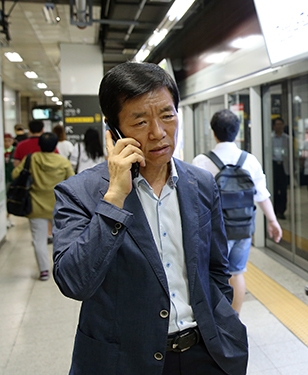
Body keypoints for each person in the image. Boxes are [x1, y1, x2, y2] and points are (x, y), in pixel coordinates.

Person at [52, 62, 248, 375]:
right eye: (140, 122)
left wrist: (223, 323)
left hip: (205, 354)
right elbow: (75, 283)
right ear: (114, 131)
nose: (158, 133)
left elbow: (216, 268)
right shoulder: (79, 193)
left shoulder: (201, 183)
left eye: (167, 116)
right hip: (126, 362)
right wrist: (114, 198)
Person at [192, 109, 282, 313]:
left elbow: (194, 199)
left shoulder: (201, 161)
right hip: (242, 228)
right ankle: (235, 319)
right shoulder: (249, 160)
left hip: (214, 230)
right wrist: (273, 221)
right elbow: (262, 194)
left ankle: (216, 321)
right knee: (237, 273)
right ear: (237, 131)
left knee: (212, 273)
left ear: (213, 132)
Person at [13, 132, 74, 280]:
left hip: (36, 206)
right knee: (62, 239)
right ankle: (62, 268)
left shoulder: (32, 159)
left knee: (38, 240)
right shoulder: (63, 162)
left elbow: (16, 174)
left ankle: (44, 271)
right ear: (55, 146)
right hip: (58, 206)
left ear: (39, 145)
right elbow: (72, 181)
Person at [271, 117, 290, 219]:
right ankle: (273, 210)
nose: (279, 126)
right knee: (274, 188)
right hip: (273, 165)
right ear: (274, 126)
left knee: (283, 190)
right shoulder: (269, 138)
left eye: (281, 124)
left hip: (283, 166)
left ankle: (281, 211)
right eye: (277, 124)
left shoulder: (287, 138)